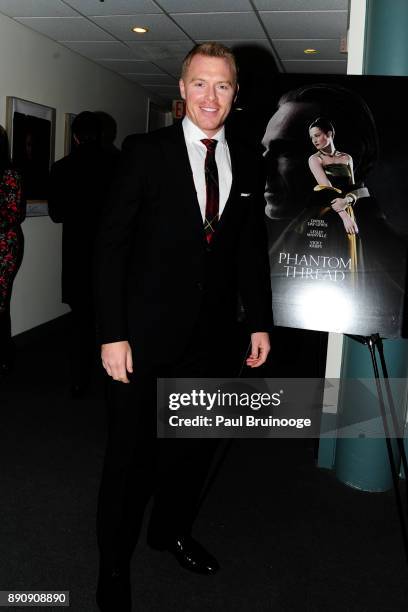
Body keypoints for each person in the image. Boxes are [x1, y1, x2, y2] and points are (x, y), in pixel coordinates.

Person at [94, 42, 272, 611]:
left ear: (235, 94)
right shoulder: (145, 152)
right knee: (130, 460)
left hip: (213, 340)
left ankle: (169, 532)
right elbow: (110, 249)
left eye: (222, 85)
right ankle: (113, 567)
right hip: (142, 341)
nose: (210, 96)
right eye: (200, 83)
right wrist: (111, 332)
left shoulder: (247, 158)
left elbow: (247, 250)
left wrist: (259, 324)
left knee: (191, 449)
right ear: (182, 90)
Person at [262, 83, 405, 338]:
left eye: (284, 151)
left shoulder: (393, 260)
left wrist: (347, 208)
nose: (264, 167)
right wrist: (344, 212)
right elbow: (326, 188)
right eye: (265, 150)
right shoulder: (277, 249)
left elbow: (344, 187)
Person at [48, 111, 116, 397]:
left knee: (81, 320)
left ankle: (80, 378)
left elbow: (56, 214)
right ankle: (114, 373)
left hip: (78, 252)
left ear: (74, 136)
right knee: (111, 314)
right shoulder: (117, 163)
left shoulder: (63, 167)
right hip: (110, 252)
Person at [0, 125, 25, 375]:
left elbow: (14, 213)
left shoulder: (10, 174)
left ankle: (6, 354)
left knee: (1, 302)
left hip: (4, 245)